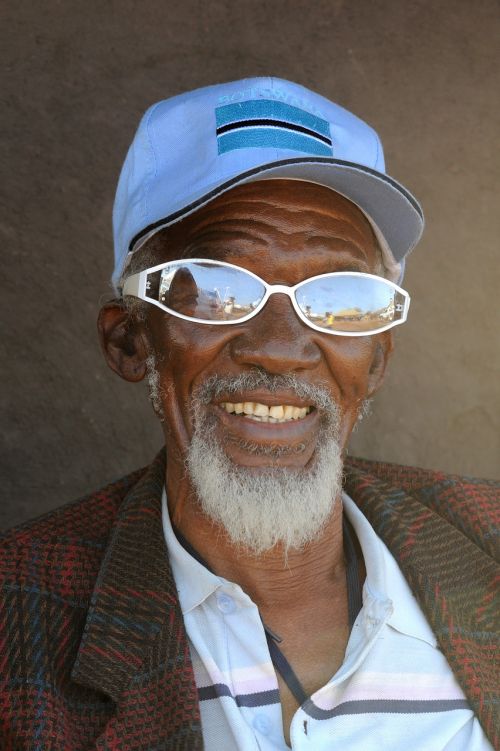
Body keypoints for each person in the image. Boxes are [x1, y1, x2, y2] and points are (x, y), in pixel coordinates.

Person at [0, 78, 497, 751]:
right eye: (217, 288)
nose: (280, 349)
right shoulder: (18, 615)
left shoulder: (485, 546)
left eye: (337, 295)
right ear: (132, 339)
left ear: (377, 359)